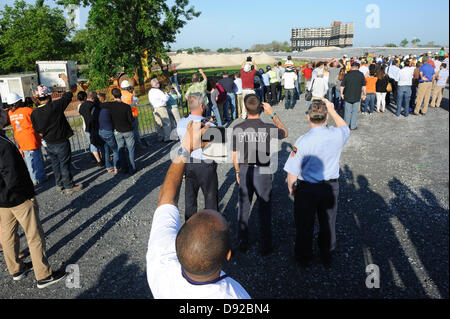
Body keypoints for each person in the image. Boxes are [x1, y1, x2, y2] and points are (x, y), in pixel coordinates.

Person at [146, 120, 250, 299]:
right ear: (228, 255)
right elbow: (166, 199)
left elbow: (165, 198)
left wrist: (185, 147)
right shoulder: (235, 295)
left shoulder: (160, 263)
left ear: (178, 244)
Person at [284, 98, 350, 267]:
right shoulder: (336, 135)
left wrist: (291, 187)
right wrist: (333, 110)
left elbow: (292, 171)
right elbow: (345, 128)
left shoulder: (302, 141)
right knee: (328, 223)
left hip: (307, 189)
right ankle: (327, 254)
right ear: (326, 117)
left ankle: (304, 257)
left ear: (308, 117)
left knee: (304, 225)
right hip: (330, 186)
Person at [0, 130, 67, 288]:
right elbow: (12, 173)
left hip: (2, 199)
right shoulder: (3, 144)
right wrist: (26, 194)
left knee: (7, 236)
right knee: (34, 235)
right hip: (17, 198)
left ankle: (16, 269)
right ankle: (44, 275)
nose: (4, 113)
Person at [232, 94, 288, 255]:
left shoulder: (237, 128)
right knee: (264, 207)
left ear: (245, 108)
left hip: (244, 168)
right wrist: (272, 114)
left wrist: (237, 170)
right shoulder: (268, 127)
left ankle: (242, 242)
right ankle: (265, 245)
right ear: (261, 108)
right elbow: (285, 132)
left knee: (243, 205)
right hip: (263, 169)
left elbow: (234, 154)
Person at [30, 74, 82, 195]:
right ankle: (69, 186)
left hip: (48, 143)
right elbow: (68, 94)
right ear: (49, 95)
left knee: (55, 164)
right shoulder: (55, 106)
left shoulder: (35, 113)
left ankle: (59, 185)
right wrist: (66, 80)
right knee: (64, 163)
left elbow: (37, 129)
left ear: (37, 98)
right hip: (61, 141)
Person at [177, 93, 218, 220]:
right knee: (211, 200)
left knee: (190, 198)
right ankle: (212, 227)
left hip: (189, 163)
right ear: (201, 106)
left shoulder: (181, 123)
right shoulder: (211, 127)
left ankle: (189, 225)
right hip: (206, 164)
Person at [6, 93, 47, 185]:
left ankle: (33, 179)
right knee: (37, 159)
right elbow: (38, 116)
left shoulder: (10, 113)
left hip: (21, 140)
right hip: (31, 138)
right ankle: (41, 177)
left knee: (29, 161)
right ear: (18, 102)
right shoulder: (28, 110)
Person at [101, 88, 136, 174]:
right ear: (121, 95)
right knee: (130, 150)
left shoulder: (111, 105)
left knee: (121, 149)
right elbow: (131, 120)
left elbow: (101, 105)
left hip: (118, 131)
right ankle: (132, 167)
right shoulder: (126, 107)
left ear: (113, 96)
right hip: (127, 130)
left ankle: (124, 167)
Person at [77, 91, 104, 166]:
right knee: (100, 143)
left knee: (92, 143)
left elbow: (80, 113)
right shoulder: (93, 105)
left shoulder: (81, 106)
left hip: (86, 127)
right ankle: (102, 158)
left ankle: (98, 160)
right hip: (95, 126)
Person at [340, 62, 366, 130]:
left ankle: (346, 126)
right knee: (355, 112)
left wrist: (341, 93)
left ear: (351, 67)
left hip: (347, 95)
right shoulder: (361, 74)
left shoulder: (347, 74)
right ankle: (353, 126)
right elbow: (364, 86)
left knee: (347, 112)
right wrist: (364, 94)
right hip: (357, 95)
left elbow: (342, 85)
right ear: (357, 67)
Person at [97, 93, 119, 174]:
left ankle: (108, 167)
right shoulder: (107, 108)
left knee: (106, 150)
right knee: (115, 149)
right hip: (108, 131)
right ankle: (116, 166)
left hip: (100, 131)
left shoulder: (97, 109)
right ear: (104, 98)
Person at [120, 81, 145, 149]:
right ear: (128, 87)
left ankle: (129, 147)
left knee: (127, 132)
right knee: (135, 131)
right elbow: (136, 101)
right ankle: (138, 145)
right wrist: (133, 91)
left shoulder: (120, 95)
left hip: (124, 116)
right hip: (133, 115)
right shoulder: (131, 95)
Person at [148, 78, 172, 143]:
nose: (159, 84)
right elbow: (165, 99)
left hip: (155, 108)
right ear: (156, 84)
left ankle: (160, 136)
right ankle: (167, 137)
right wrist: (167, 95)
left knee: (159, 124)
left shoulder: (150, 91)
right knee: (166, 123)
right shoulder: (158, 91)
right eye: (158, 83)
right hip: (161, 108)